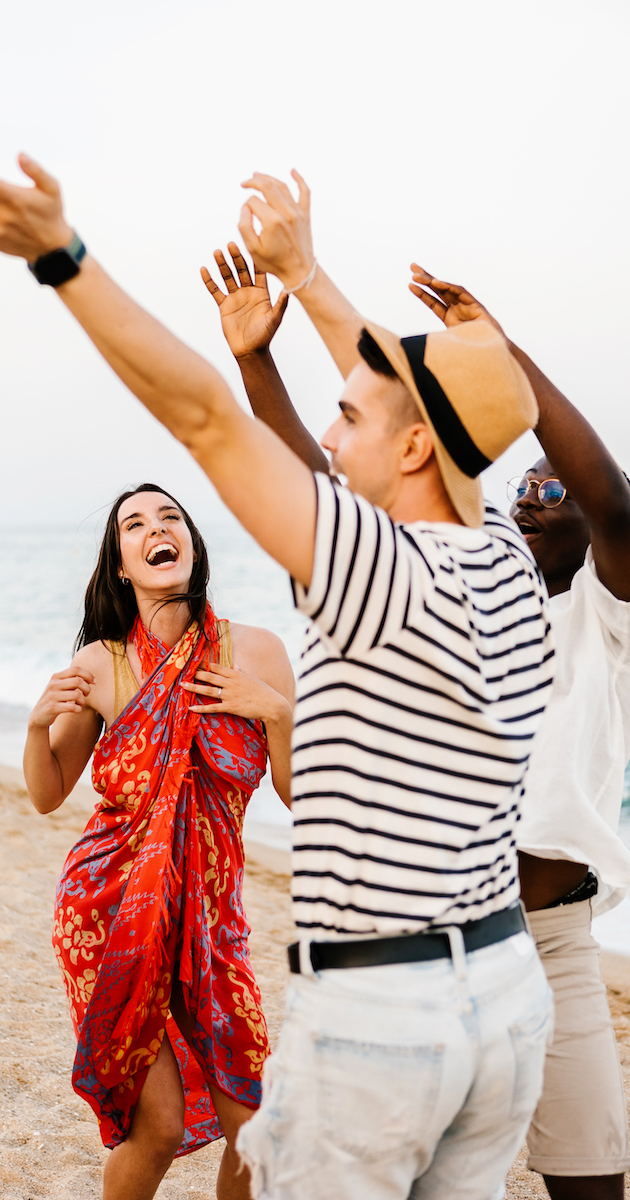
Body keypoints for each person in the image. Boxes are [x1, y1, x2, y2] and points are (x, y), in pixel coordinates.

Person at [0, 154, 555, 1200]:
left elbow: (202, 419)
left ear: (414, 444)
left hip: (389, 1015)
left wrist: (62, 256)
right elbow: (425, 420)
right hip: (503, 996)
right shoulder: (502, 554)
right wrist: (312, 279)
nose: (324, 439)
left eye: (348, 422)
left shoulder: (385, 575)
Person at [406, 268, 630, 1200]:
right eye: (523, 485)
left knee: (593, 1178)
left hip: (559, 945)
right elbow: (334, 506)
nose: (534, 494)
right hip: (447, 938)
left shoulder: (609, 616)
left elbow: (610, 495)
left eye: (553, 485)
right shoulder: (479, 607)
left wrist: (505, 360)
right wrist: (257, 368)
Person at [23, 482, 294, 1200]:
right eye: (134, 525)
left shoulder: (258, 652)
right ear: (121, 564)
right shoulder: (101, 665)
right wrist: (32, 727)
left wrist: (277, 713)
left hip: (211, 918)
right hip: (109, 911)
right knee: (161, 1125)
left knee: (258, 1124)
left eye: (169, 517)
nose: (156, 530)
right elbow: (49, 793)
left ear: (192, 544)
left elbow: (303, 797)